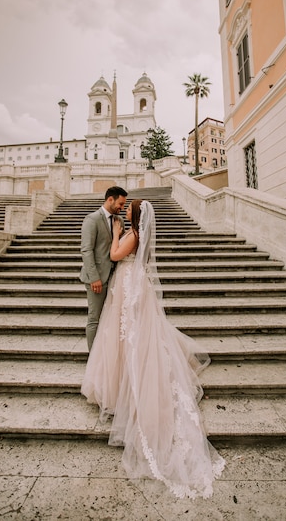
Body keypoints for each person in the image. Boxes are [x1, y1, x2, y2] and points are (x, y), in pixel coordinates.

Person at [81, 199, 225, 499]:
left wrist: (118, 233)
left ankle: (128, 384)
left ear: (134, 215)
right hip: (133, 283)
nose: (124, 212)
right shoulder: (139, 232)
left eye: (128, 210)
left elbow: (114, 253)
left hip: (130, 285)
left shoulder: (132, 234)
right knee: (131, 334)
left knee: (132, 336)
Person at [80, 186, 127, 350]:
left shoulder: (119, 221)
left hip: (115, 277)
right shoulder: (92, 219)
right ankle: (93, 356)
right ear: (110, 199)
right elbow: (86, 250)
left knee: (111, 319)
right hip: (97, 278)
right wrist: (94, 278)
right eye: (120, 204)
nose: (122, 208)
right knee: (95, 319)